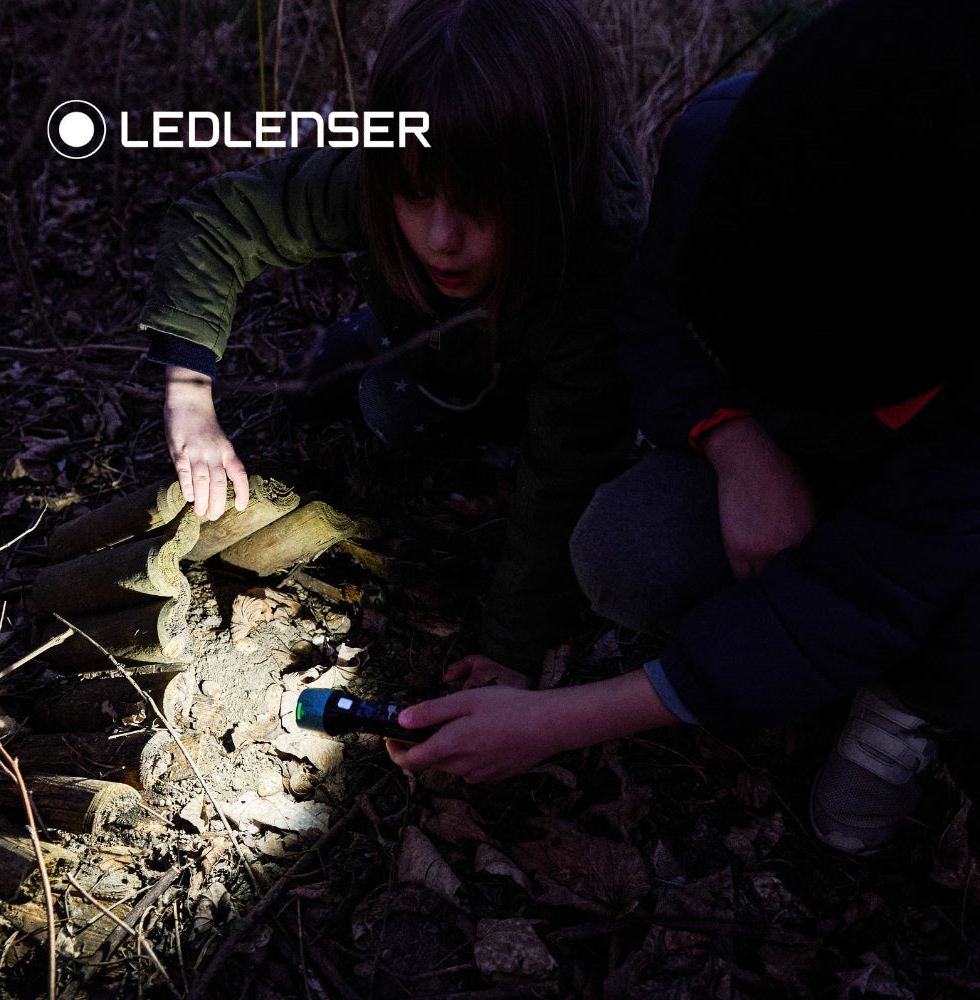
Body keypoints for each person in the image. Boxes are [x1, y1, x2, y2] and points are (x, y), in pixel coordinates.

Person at [389, 0, 980, 857]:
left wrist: (555, 722)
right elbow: (655, 325)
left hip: (942, 514)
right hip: (799, 449)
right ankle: (768, 657)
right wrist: (735, 442)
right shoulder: (724, 145)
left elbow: (877, 584)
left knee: (940, 600)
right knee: (631, 548)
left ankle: (909, 704)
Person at [140, 0, 646, 688]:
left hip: (545, 387)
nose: (440, 237)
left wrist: (509, 651)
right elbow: (218, 219)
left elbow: (563, 480)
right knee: (346, 391)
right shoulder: (390, 164)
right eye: (414, 193)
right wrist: (189, 390)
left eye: (480, 202)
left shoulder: (602, 262)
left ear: (548, 182)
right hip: (435, 345)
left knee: (513, 466)